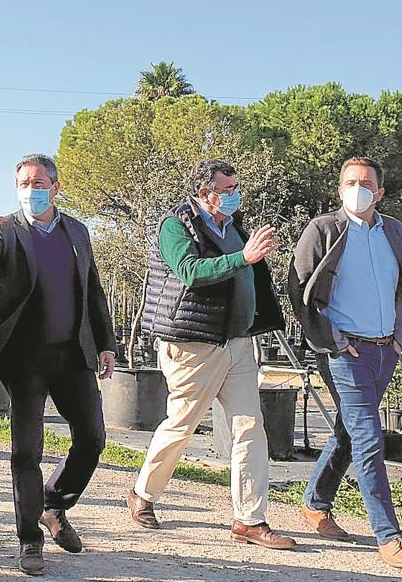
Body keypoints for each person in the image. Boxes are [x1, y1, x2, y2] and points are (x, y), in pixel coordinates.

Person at [127, 159, 296, 550]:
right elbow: (190, 271)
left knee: (250, 426)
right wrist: (243, 257)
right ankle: (143, 494)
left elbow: (251, 273)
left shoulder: (233, 225)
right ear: (205, 193)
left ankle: (249, 519)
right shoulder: (176, 224)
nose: (235, 194)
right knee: (182, 424)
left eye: (236, 186)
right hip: (193, 344)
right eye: (228, 188)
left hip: (237, 342)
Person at [288, 157, 402, 570]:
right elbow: (299, 291)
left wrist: (397, 337)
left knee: (349, 432)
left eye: (366, 182)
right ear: (339, 189)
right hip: (344, 352)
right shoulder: (323, 229)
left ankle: (315, 504)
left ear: (380, 192)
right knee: (370, 439)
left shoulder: (394, 230)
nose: (358, 188)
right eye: (350, 182)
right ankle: (389, 536)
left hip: (383, 350)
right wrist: (332, 341)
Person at [0, 154, 118, 576]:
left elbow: (94, 291)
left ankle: (54, 505)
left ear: (55, 186)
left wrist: (106, 344)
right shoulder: (10, 230)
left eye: (37, 183)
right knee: (25, 452)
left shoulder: (77, 231)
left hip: (73, 355)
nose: (30, 190)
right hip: (25, 357)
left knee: (92, 439)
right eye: (22, 184)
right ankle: (30, 539)